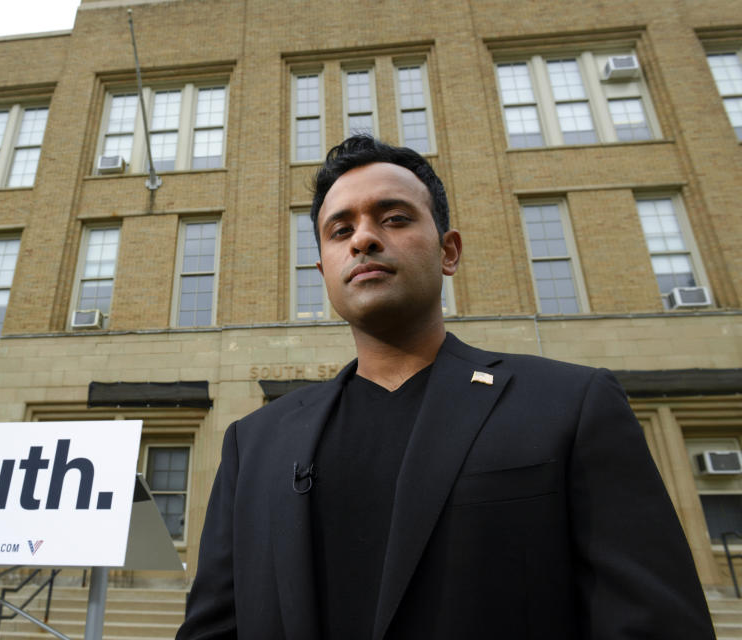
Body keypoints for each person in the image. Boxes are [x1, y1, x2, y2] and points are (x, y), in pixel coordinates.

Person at [176, 135, 715, 639]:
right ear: (323, 270)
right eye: (340, 231)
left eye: (393, 218)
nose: (363, 237)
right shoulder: (255, 444)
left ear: (448, 251)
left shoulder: (570, 406)